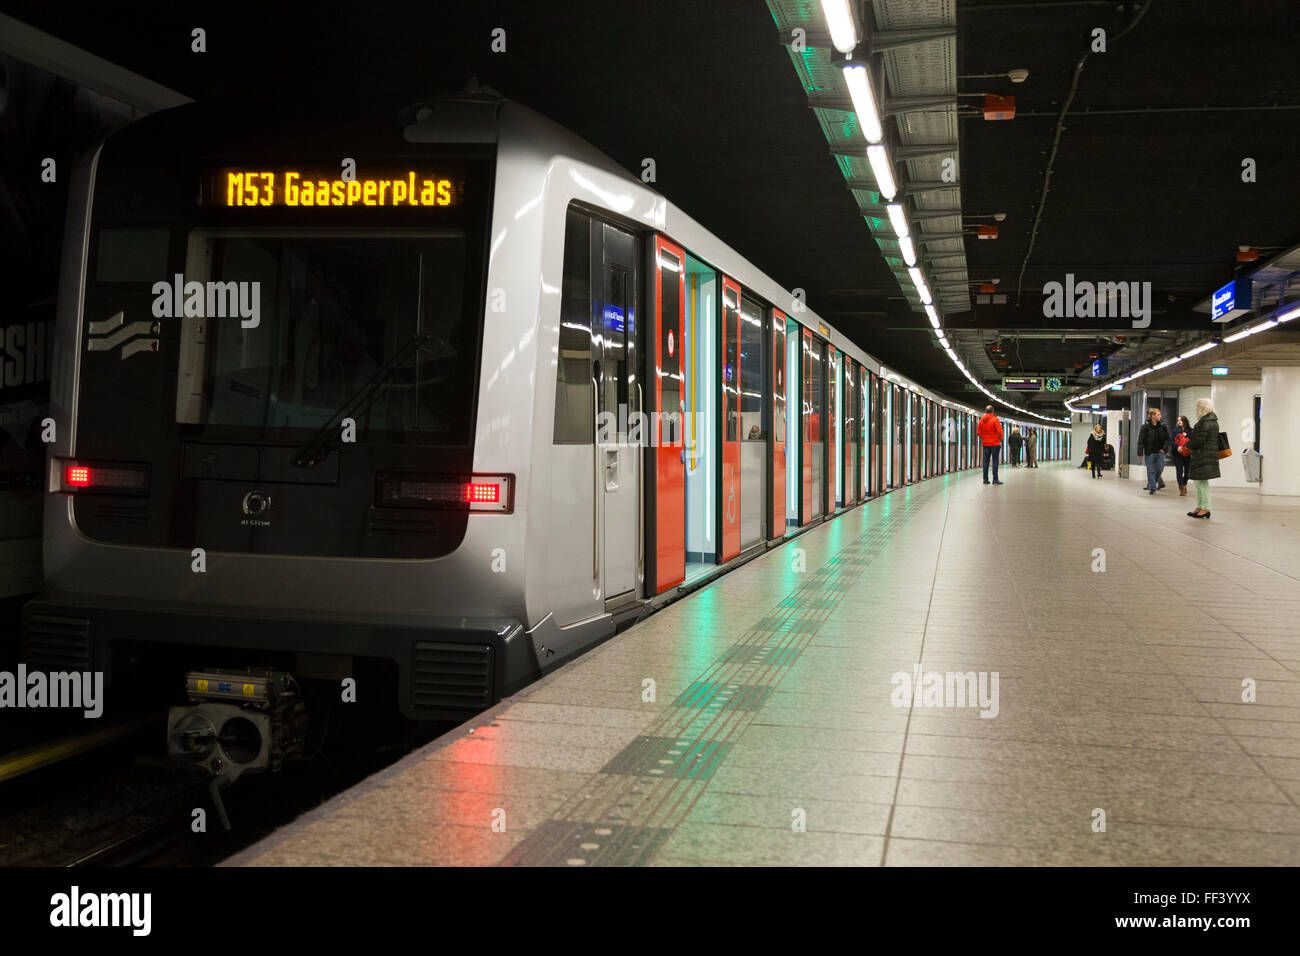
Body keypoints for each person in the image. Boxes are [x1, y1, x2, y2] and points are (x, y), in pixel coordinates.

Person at [1184, 398, 1220, 518]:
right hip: (1205, 455)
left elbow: (1199, 441)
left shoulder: (1205, 422)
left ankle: (1206, 508)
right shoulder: (1211, 421)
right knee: (1199, 482)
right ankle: (1200, 506)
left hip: (1203, 455)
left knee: (1202, 483)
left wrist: (1186, 445)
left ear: (1201, 408)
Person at [1136, 406, 1170, 495]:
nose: (1160, 416)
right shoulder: (1145, 427)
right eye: (1158, 414)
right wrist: (1140, 453)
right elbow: (1141, 441)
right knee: (1150, 470)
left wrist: (1164, 449)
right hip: (1149, 452)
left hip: (1160, 452)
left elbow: (1167, 439)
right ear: (1152, 416)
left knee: (1160, 468)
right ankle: (1152, 487)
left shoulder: (1163, 426)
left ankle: (1152, 482)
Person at [977, 405, 1004, 485]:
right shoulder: (995, 419)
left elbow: (979, 432)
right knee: (995, 461)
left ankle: (985, 479)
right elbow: (999, 432)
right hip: (995, 443)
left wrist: (984, 438)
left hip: (986, 444)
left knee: (986, 462)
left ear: (985, 411)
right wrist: (1000, 439)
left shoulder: (981, 420)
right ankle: (995, 479)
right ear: (993, 411)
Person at [1170, 414, 1192, 496]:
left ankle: (1184, 483)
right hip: (1177, 454)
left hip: (1188, 454)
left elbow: (1193, 439)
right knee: (1179, 471)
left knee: (1187, 472)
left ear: (1185, 421)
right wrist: (1177, 447)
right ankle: (1181, 487)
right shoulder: (1175, 431)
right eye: (1178, 420)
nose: (1179, 421)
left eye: (1180, 420)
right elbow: (1172, 441)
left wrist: (1187, 435)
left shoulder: (1190, 430)